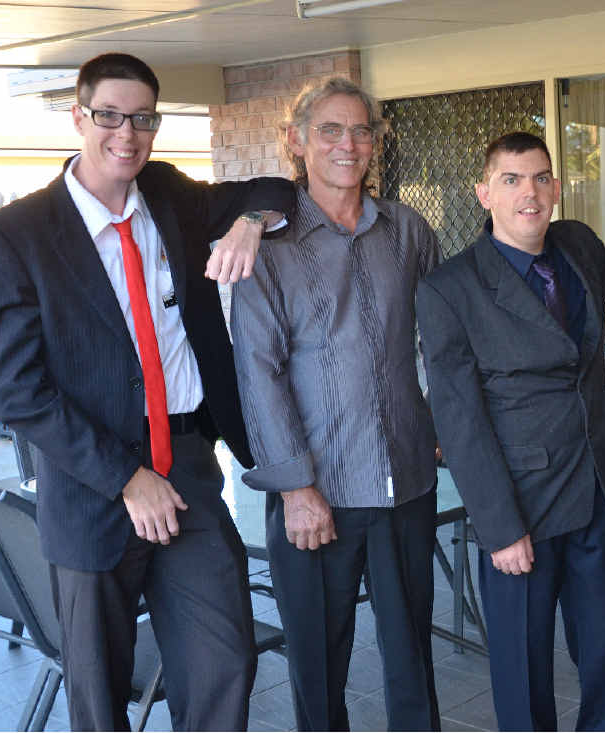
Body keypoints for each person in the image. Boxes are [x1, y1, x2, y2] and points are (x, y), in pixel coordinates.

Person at [0, 52, 294, 730]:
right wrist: (126, 477)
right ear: (79, 116)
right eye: (110, 116)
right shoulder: (15, 236)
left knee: (225, 660)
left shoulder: (169, 195)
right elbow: (14, 390)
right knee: (99, 696)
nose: (127, 133)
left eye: (144, 118)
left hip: (187, 463)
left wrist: (248, 224)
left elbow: (273, 189)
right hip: (93, 484)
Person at [230, 77, 441, 731]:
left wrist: (438, 422)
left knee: (413, 664)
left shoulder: (407, 231)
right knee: (320, 673)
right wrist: (295, 488)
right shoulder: (266, 247)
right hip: (316, 496)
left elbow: (442, 336)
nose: (348, 144)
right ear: (297, 140)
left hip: (405, 484)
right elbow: (257, 374)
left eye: (361, 131)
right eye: (330, 129)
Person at [416, 131, 605, 731]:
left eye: (541, 177)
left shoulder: (576, 246)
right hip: (521, 509)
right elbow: (458, 420)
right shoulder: (450, 288)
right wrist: (499, 528)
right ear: (485, 192)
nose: (529, 192)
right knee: (522, 672)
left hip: (598, 492)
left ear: (558, 189)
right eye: (512, 180)